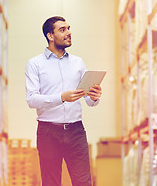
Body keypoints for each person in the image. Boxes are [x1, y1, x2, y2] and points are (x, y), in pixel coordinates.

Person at [25, 16, 102, 186]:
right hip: (48, 132)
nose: (69, 32)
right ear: (50, 36)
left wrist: (94, 96)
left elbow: (88, 100)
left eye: (68, 28)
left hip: (76, 131)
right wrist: (61, 98)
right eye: (63, 30)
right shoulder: (35, 64)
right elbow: (31, 99)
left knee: (83, 182)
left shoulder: (78, 63)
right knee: (51, 182)